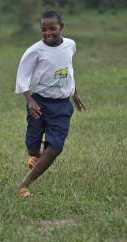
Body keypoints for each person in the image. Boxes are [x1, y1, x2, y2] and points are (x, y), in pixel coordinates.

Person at [15, 11, 86, 198]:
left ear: (61, 27)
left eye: (52, 28)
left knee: (55, 146)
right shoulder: (34, 51)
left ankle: (24, 184)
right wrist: (29, 100)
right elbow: (22, 77)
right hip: (39, 103)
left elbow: (68, 71)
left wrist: (75, 93)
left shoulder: (70, 45)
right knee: (32, 145)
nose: (48, 33)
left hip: (62, 105)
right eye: (43, 29)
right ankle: (35, 155)